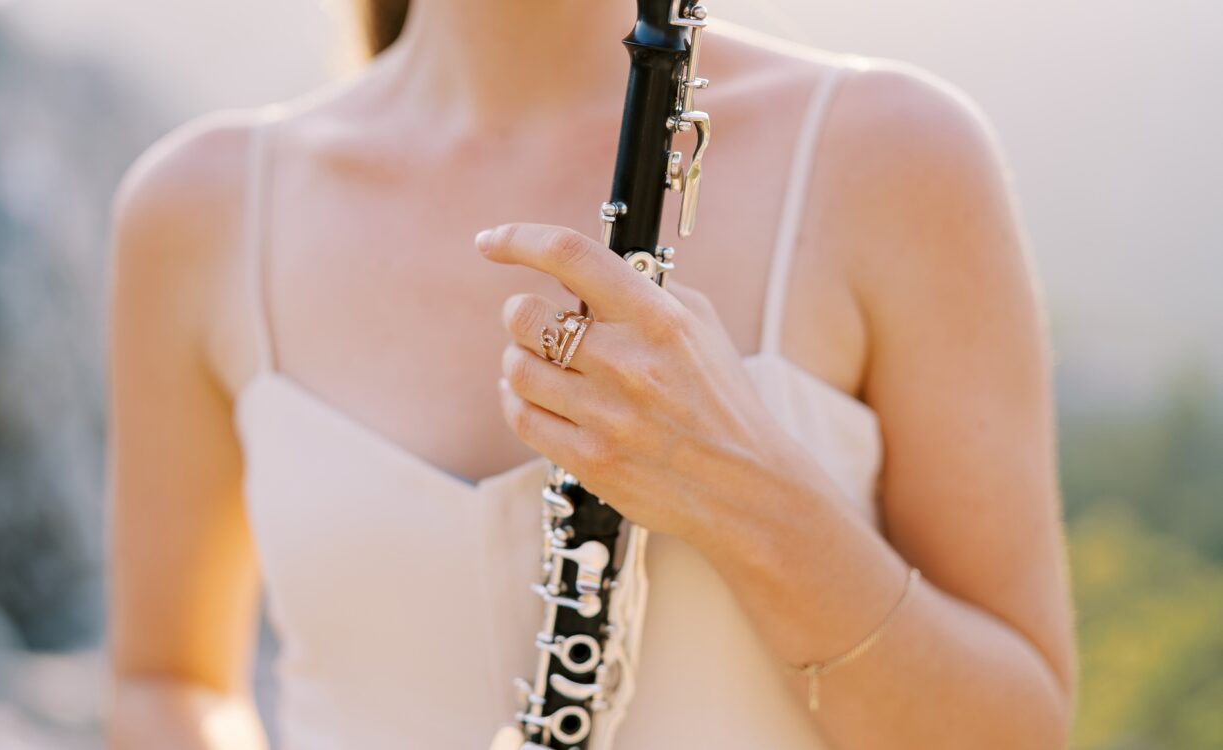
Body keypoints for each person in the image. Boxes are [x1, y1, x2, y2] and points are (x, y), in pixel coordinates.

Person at [106, 1, 1076, 748]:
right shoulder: (197, 208)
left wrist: (748, 495)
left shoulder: (897, 154)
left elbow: (1017, 730)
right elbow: (167, 683)